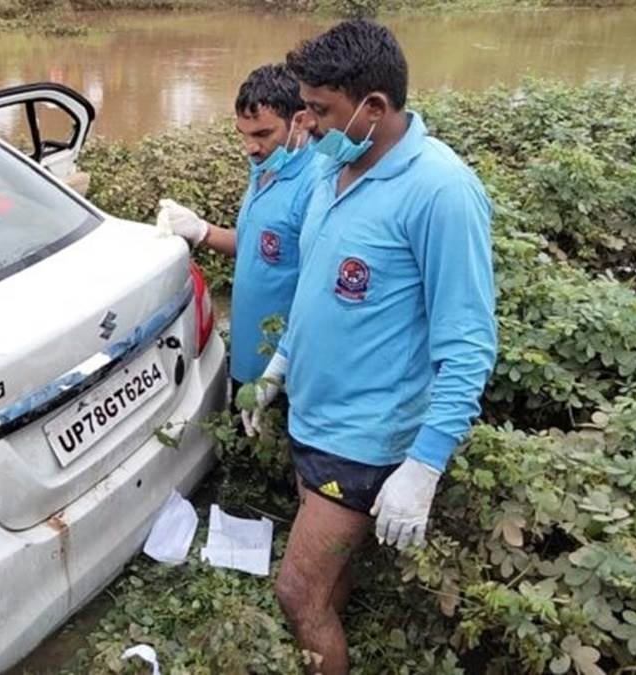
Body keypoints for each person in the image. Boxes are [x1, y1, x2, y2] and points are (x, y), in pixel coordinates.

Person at [241, 20, 497, 674]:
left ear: (373, 107)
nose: (309, 127)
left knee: (295, 592)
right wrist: (280, 366)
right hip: (313, 414)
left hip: (362, 437)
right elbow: (317, 290)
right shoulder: (333, 170)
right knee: (324, 581)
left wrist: (425, 464)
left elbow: (467, 344)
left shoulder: (441, 191)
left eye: (321, 112)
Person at [158, 63, 319, 425]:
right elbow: (260, 247)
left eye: (262, 133)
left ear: (302, 120)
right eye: (243, 134)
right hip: (248, 353)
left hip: (286, 371)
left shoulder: (316, 185)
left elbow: (319, 294)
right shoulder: (265, 167)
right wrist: (202, 231)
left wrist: (278, 373)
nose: (250, 147)